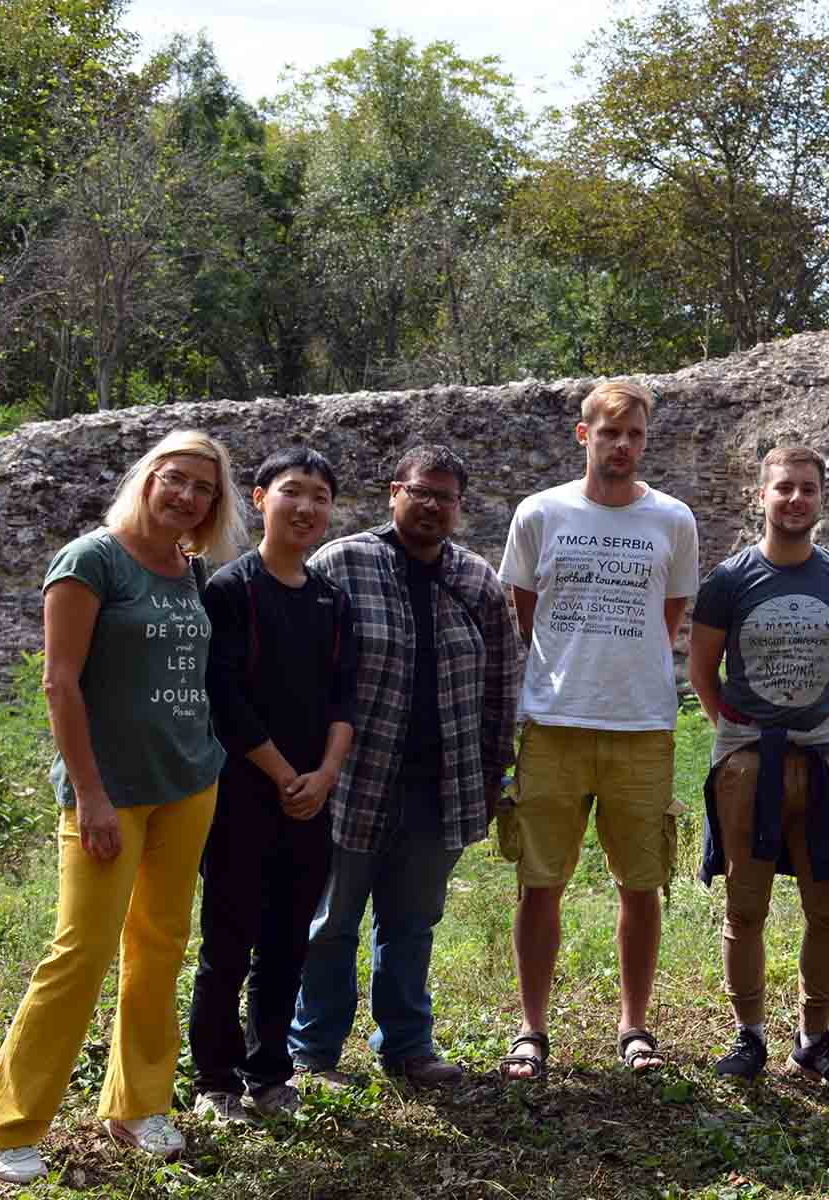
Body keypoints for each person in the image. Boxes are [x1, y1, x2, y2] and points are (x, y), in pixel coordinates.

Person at [0, 431, 246, 1185]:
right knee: (81, 950)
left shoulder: (190, 570)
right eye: (175, 478)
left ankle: (137, 1104)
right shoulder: (90, 559)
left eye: (203, 489)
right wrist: (90, 795)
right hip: (109, 794)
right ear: (146, 478)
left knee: (160, 945)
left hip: (188, 784)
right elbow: (59, 683)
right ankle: (6, 1124)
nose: (187, 496)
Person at [288, 444, 519, 1088]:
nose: (432, 506)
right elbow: (303, 671)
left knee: (412, 922)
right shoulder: (342, 563)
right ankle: (312, 1052)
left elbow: (502, 684)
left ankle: (408, 1047)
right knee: (330, 922)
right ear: (395, 492)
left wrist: (495, 772)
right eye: (421, 492)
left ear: (459, 507)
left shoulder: (476, 580)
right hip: (351, 781)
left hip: (440, 784)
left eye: (446, 497)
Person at [498, 381, 698, 1080]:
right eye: (609, 432)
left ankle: (634, 1026)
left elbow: (667, 621)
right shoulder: (540, 513)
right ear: (583, 435)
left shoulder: (672, 519)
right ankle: (531, 1028)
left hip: (640, 726)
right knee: (539, 882)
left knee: (640, 885)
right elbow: (526, 618)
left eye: (634, 434)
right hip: (553, 723)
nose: (622, 446)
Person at [689, 445, 829, 1088]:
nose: (796, 499)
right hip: (747, 760)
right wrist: (740, 735)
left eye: (808, 489)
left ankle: (814, 1039)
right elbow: (703, 672)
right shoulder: (730, 579)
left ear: (822, 499)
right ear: (761, 495)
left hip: (821, 759)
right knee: (746, 907)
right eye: (784, 487)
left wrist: (804, 721)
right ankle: (749, 1036)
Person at [189, 447, 355, 1123]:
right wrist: (288, 775)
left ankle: (269, 1074)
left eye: (320, 496)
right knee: (227, 944)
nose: (306, 507)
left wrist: (325, 776)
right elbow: (224, 698)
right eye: (293, 491)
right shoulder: (230, 590)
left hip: (312, 799)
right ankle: (215, 1080)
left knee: (288, 943)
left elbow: (345, 698)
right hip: (242, 797)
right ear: (259, 498)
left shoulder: (331, 598)